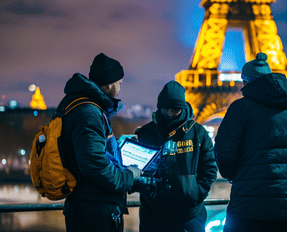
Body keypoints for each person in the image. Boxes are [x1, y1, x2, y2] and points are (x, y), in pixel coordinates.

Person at [214, 52, 287, 232]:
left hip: (248, 209)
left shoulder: (239, 109)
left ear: (246, 83)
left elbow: (224, 155)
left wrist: (235, 177)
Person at [58, 53, 142, 232]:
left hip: (88, 206)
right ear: (110, 83)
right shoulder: (89, 112)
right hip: (95, 211)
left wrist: (116, 146)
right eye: (119, 82)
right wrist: (129, 176)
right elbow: (93, 163)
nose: (120, 86)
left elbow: (90, 149)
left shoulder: (83, 106)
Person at [134, 80, 218, 232]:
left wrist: (195, 195)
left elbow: (210, 168)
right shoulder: (146, 133)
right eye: (166, 109)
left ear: (182, 107)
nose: (170, 113)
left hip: (187, 215)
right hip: (155, 215)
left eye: (175, 109)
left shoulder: (198, 133)